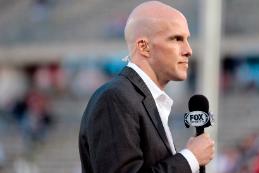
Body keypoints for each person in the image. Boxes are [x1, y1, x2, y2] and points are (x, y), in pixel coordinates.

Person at [78, 1, 214, 173]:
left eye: (187, 39)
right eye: (177, 39)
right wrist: (190, 158)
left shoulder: (140, 99)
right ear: (144, 46)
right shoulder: (115, 98)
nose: (188, 50)